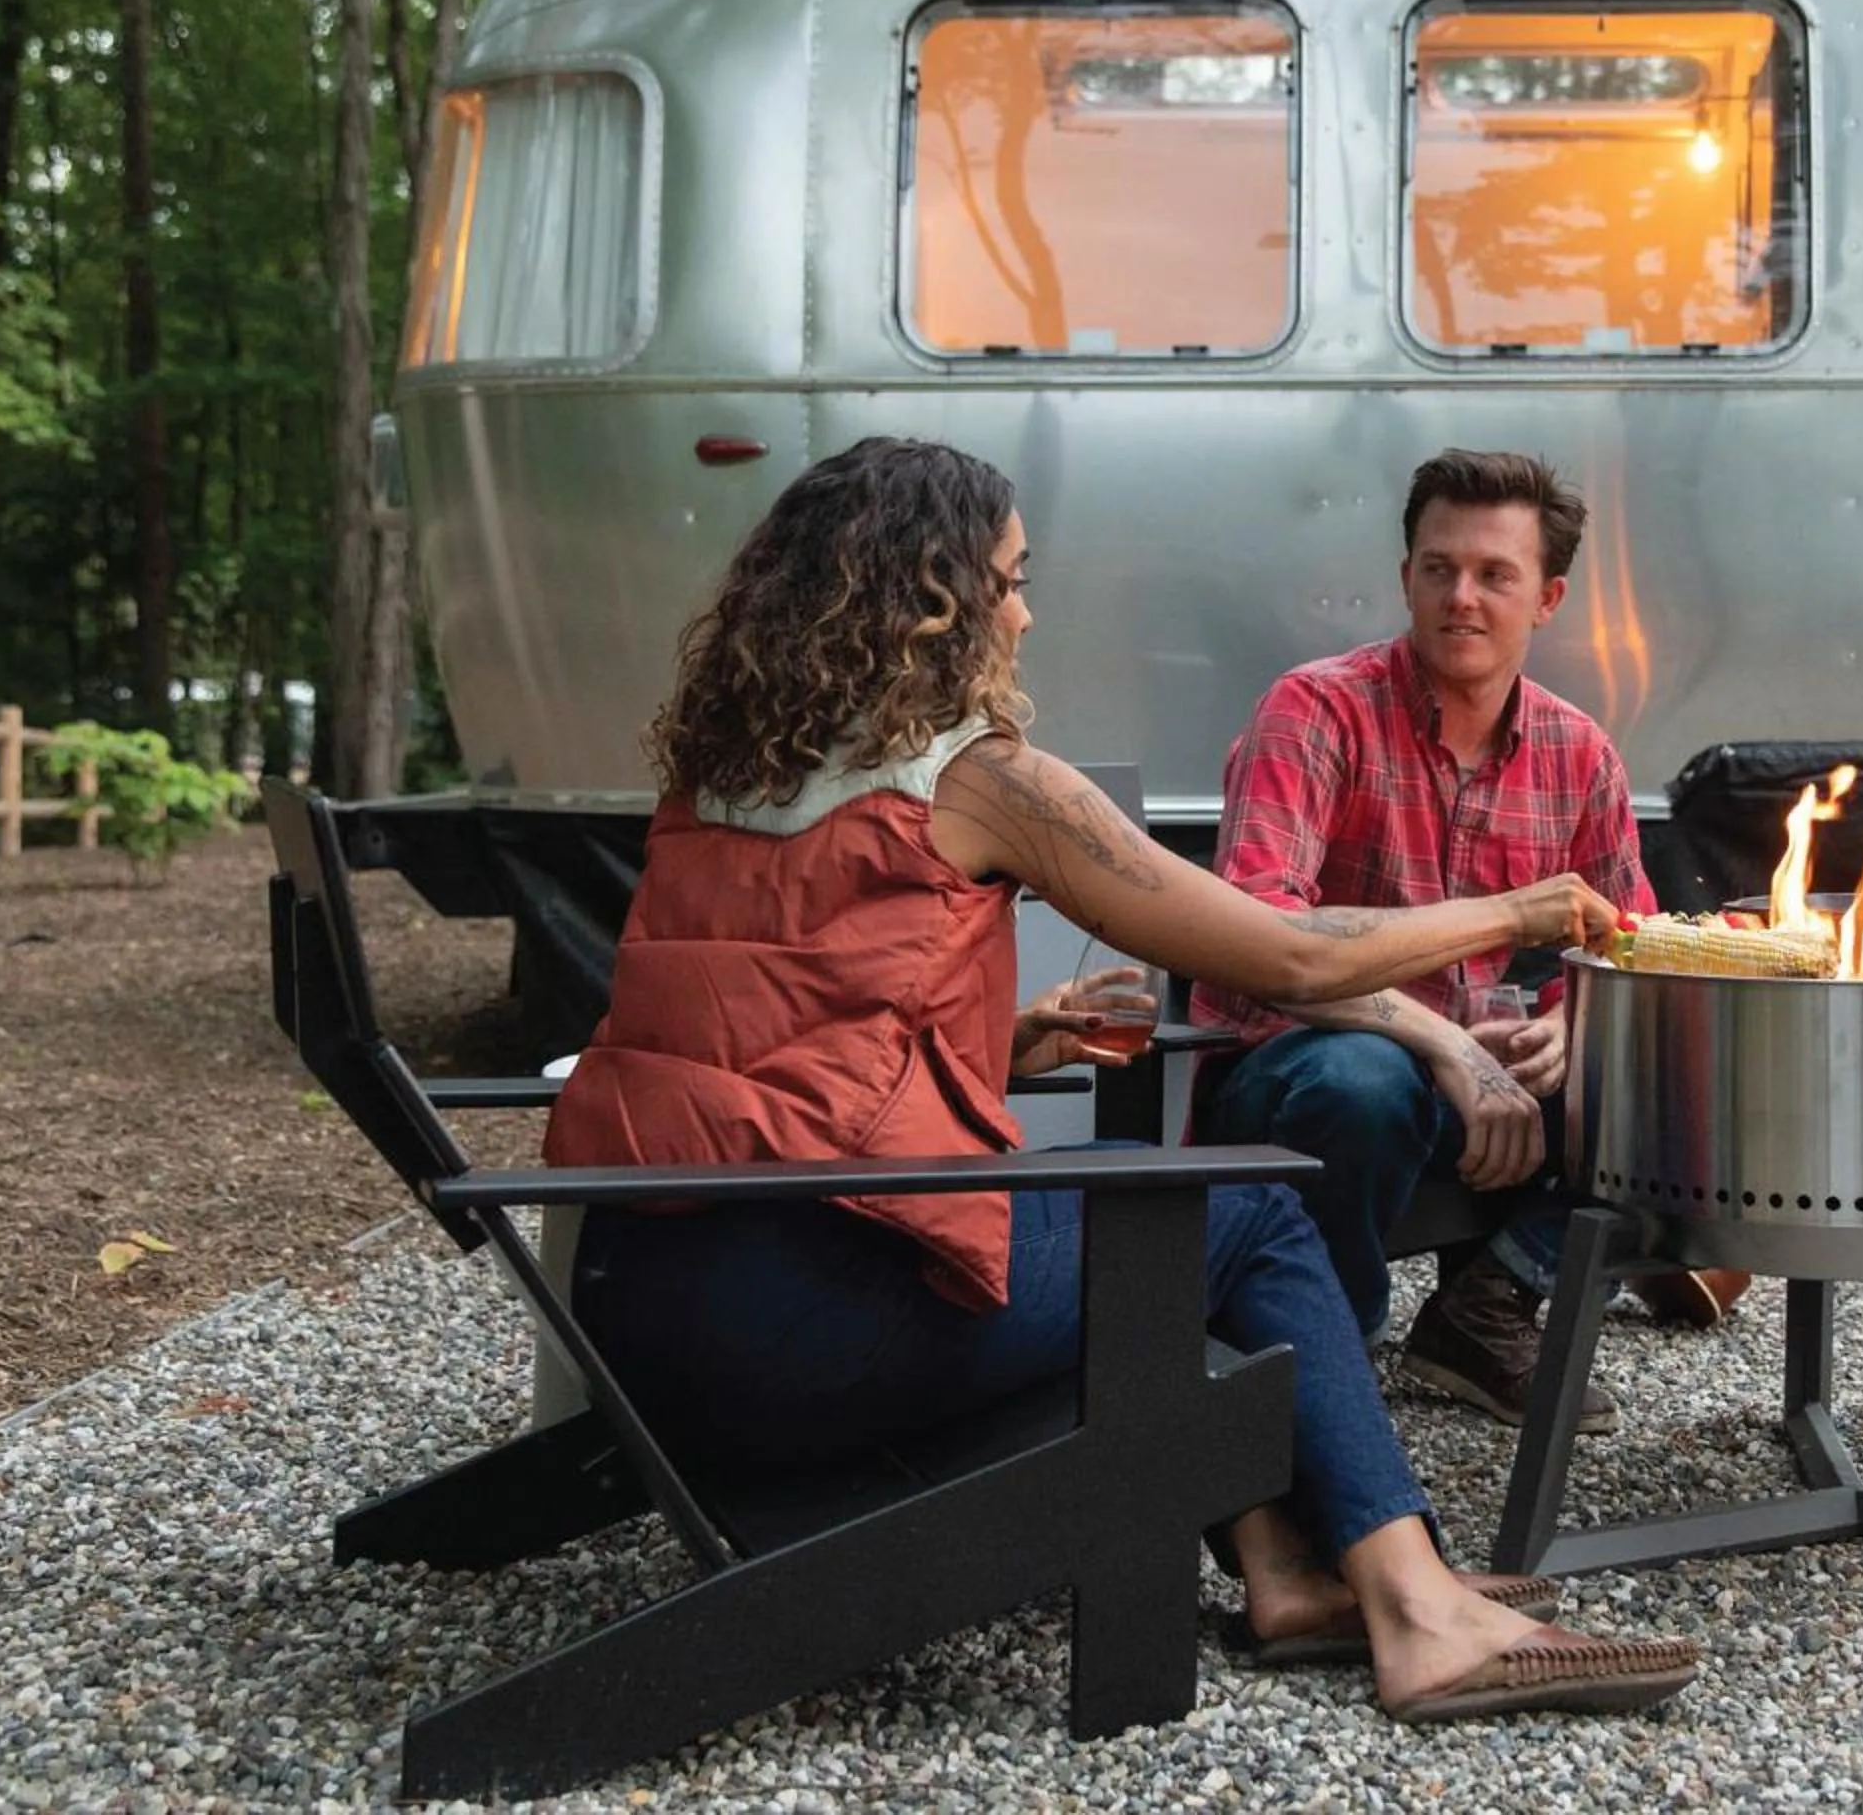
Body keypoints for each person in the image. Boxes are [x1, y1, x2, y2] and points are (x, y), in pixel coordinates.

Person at [543, 436, 1701, 1724]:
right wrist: (1516, 910)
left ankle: (1284, 1572)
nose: (1028, 611)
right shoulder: (985, 782)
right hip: (815, 1325)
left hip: (638, 1304)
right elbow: (1282, 948)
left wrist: (1010, 1038)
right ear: (932, 600)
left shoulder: (723, 778)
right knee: (1241, 1211)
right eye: (1012, 579)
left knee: (1147, 1215)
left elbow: (775, 1036)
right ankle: (1419, 1611)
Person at [1189, 450, 1750, 1435]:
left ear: (1548, 598)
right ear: (1405, 577)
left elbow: (1636, 949)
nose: (1462, 596)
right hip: (1299, 1062)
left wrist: (1573, 1028)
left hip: (1477, 1076)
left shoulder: (1579, 752)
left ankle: (1486, 1307)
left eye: (1495, 574)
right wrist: (1445, 1046)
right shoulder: (1314, 710)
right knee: (1361, 1080)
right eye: (1439, 568)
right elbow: (1260, 938)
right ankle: (1325, 1360)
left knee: (1681, 1065)